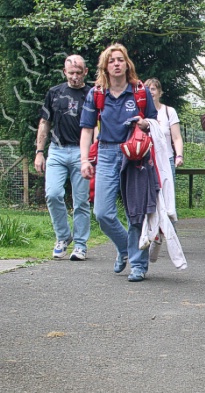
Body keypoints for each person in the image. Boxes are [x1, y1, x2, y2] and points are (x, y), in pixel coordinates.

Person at [79, 43, 158, 282]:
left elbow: (155, 122)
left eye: (120, 59)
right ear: (105, 66)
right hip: (105, 152)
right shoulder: (96, 93)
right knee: (102, 212)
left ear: (127, 64)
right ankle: (125, 248)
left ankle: (138, 265)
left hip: (135, 156)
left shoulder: (139, 91)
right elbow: (86, 129)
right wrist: (84, 160)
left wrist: (145, 124)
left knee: (136, 213)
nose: (116, 63)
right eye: (111, 60)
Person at [35, 55, 91, 261]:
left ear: (85, 72)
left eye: (78, 73)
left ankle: (81, 244)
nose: (75, 77)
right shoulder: (54, 93)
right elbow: (44, 122)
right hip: (57, 150)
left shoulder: (91, 94)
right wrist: (39, 152)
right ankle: (62, 236)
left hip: (81, 152)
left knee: (81, 201)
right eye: (71, 73)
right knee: (53, 194)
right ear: (64, 72)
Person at [144, 78, 184, 180]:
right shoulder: (141, 113)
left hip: (166, 159)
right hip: (146, 161)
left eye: (153, 89)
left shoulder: (169, 111)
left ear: (160, 92)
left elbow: (177, 137)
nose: (150, 92)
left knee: (168, 194)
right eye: (147, 89)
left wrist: (179, 156)